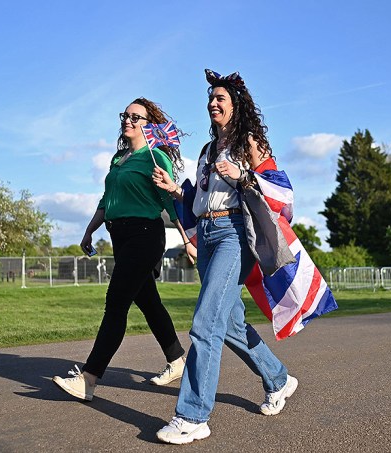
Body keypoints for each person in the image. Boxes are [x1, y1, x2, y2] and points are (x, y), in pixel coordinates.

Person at [151, 69, 297, 445]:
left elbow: (282, 194)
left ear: (236, 105)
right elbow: (201, 202)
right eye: (210, 99)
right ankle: (279, 379)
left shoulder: (251, 144)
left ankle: (192, 416)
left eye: (220, 99)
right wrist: (175, 191)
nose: (213, 103)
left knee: (205, 322)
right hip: (209, 236)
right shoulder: (206, 151)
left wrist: (240, 175)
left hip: (235, 234)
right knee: (229, 323)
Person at [52, 98, 195, 401]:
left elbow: (170, 201)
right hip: (120, 237)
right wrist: (90, 229)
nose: (128, 120)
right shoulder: (119, 159)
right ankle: (177, 360)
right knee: (149, 303)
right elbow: (107, 200)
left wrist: (187, 240)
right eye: (125, 115)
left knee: (116, 303)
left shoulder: (155, 158)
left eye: (136, 117)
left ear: (149, 125)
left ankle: (89, 379)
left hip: (145, 235)